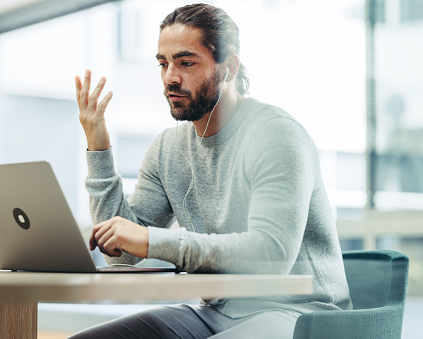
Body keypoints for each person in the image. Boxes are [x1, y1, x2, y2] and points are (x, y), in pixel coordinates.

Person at [71, 3, 351, 338]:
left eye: (186, 62)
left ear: (229, 68)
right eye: (163, 63)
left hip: (300, 312)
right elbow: (121, 257)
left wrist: (151, 240)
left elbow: (270, 255)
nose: (170, 77)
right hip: (215, 313)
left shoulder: (276, 134)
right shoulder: (168, 148)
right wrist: (98, 147)